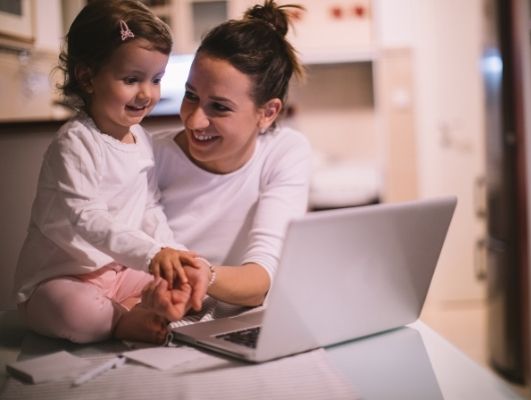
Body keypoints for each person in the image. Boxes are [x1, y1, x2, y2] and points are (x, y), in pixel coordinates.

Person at [12, 0, 206, 345]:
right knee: (77, 312)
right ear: (87, 76)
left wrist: (171, 253)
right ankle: (120, 319)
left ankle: (142, 304)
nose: (147, 93)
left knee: (183, 284)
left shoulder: (141, 140)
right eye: (132, 79)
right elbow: (88, 219)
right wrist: (149, 254)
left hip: (118, 271)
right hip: (64, 279)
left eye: (156, 79)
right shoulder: (76, 143)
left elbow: (149, 208)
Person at [142, 0, 312, 325]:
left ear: (268, 112)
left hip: (239, 324)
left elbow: (264, 277)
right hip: (161, 321)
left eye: (219, 107)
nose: (193, 121)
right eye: (190, 95)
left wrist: (207, 276)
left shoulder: (285, 152)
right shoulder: (149, 155)